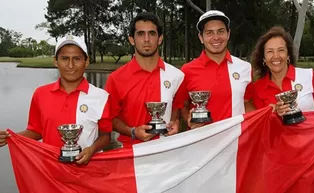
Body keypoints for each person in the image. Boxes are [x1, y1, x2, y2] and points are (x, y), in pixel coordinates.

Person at [0, 35, 112, 164]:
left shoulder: (101, 96)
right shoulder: (40, 94)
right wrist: (10, 137)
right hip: (51, 173)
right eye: (65, 58)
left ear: (86, 62)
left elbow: (106, 136)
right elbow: (36, 131)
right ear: (55, 61)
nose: (70, 65)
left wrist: (92, 149)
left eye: (77, 59)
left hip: (88, 173)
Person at [105, 12, 184, 147]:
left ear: (160, 39)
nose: (146, 39)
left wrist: (176, 123)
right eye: (141, 34)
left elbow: (179, 111)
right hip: (131, 157)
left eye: (152, 34)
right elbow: (110, 119)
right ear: (131, 39)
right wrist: (133, 131)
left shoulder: (177, 76)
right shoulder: (116, 78)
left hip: (167, 155)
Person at [174, 10, 255, 129]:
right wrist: (190, 121)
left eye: (221, 31)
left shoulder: (245, 68)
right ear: (201, 37)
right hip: (202, 143)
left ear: (228, 34)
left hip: (237, 142)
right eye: (209, 33)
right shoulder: (187, 70)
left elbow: (248, 103)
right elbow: (182, 106)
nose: (216, 37)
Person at [251, 26, 314, 114]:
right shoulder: (257, 88)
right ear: (264, 59)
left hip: (310, 128)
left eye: (281, 50)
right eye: (270, 51)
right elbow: (259, 122)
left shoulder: (308, 76)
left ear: (288, 55)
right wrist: (271, 114)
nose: (276, 56)